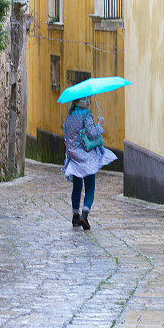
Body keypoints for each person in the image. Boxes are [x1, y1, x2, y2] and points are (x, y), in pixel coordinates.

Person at [62, 96, 117, 230]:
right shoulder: (87, 114)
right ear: (76, 102)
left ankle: (75, 217)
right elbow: (92, 134)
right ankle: (84, 215)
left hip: (74, 156)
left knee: (77, 186)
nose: (87, 101)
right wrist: (99, 124)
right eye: (83, 100)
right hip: (87, 156)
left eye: (87, 99)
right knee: (90, 186)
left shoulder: (68, 117)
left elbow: (67, 137)